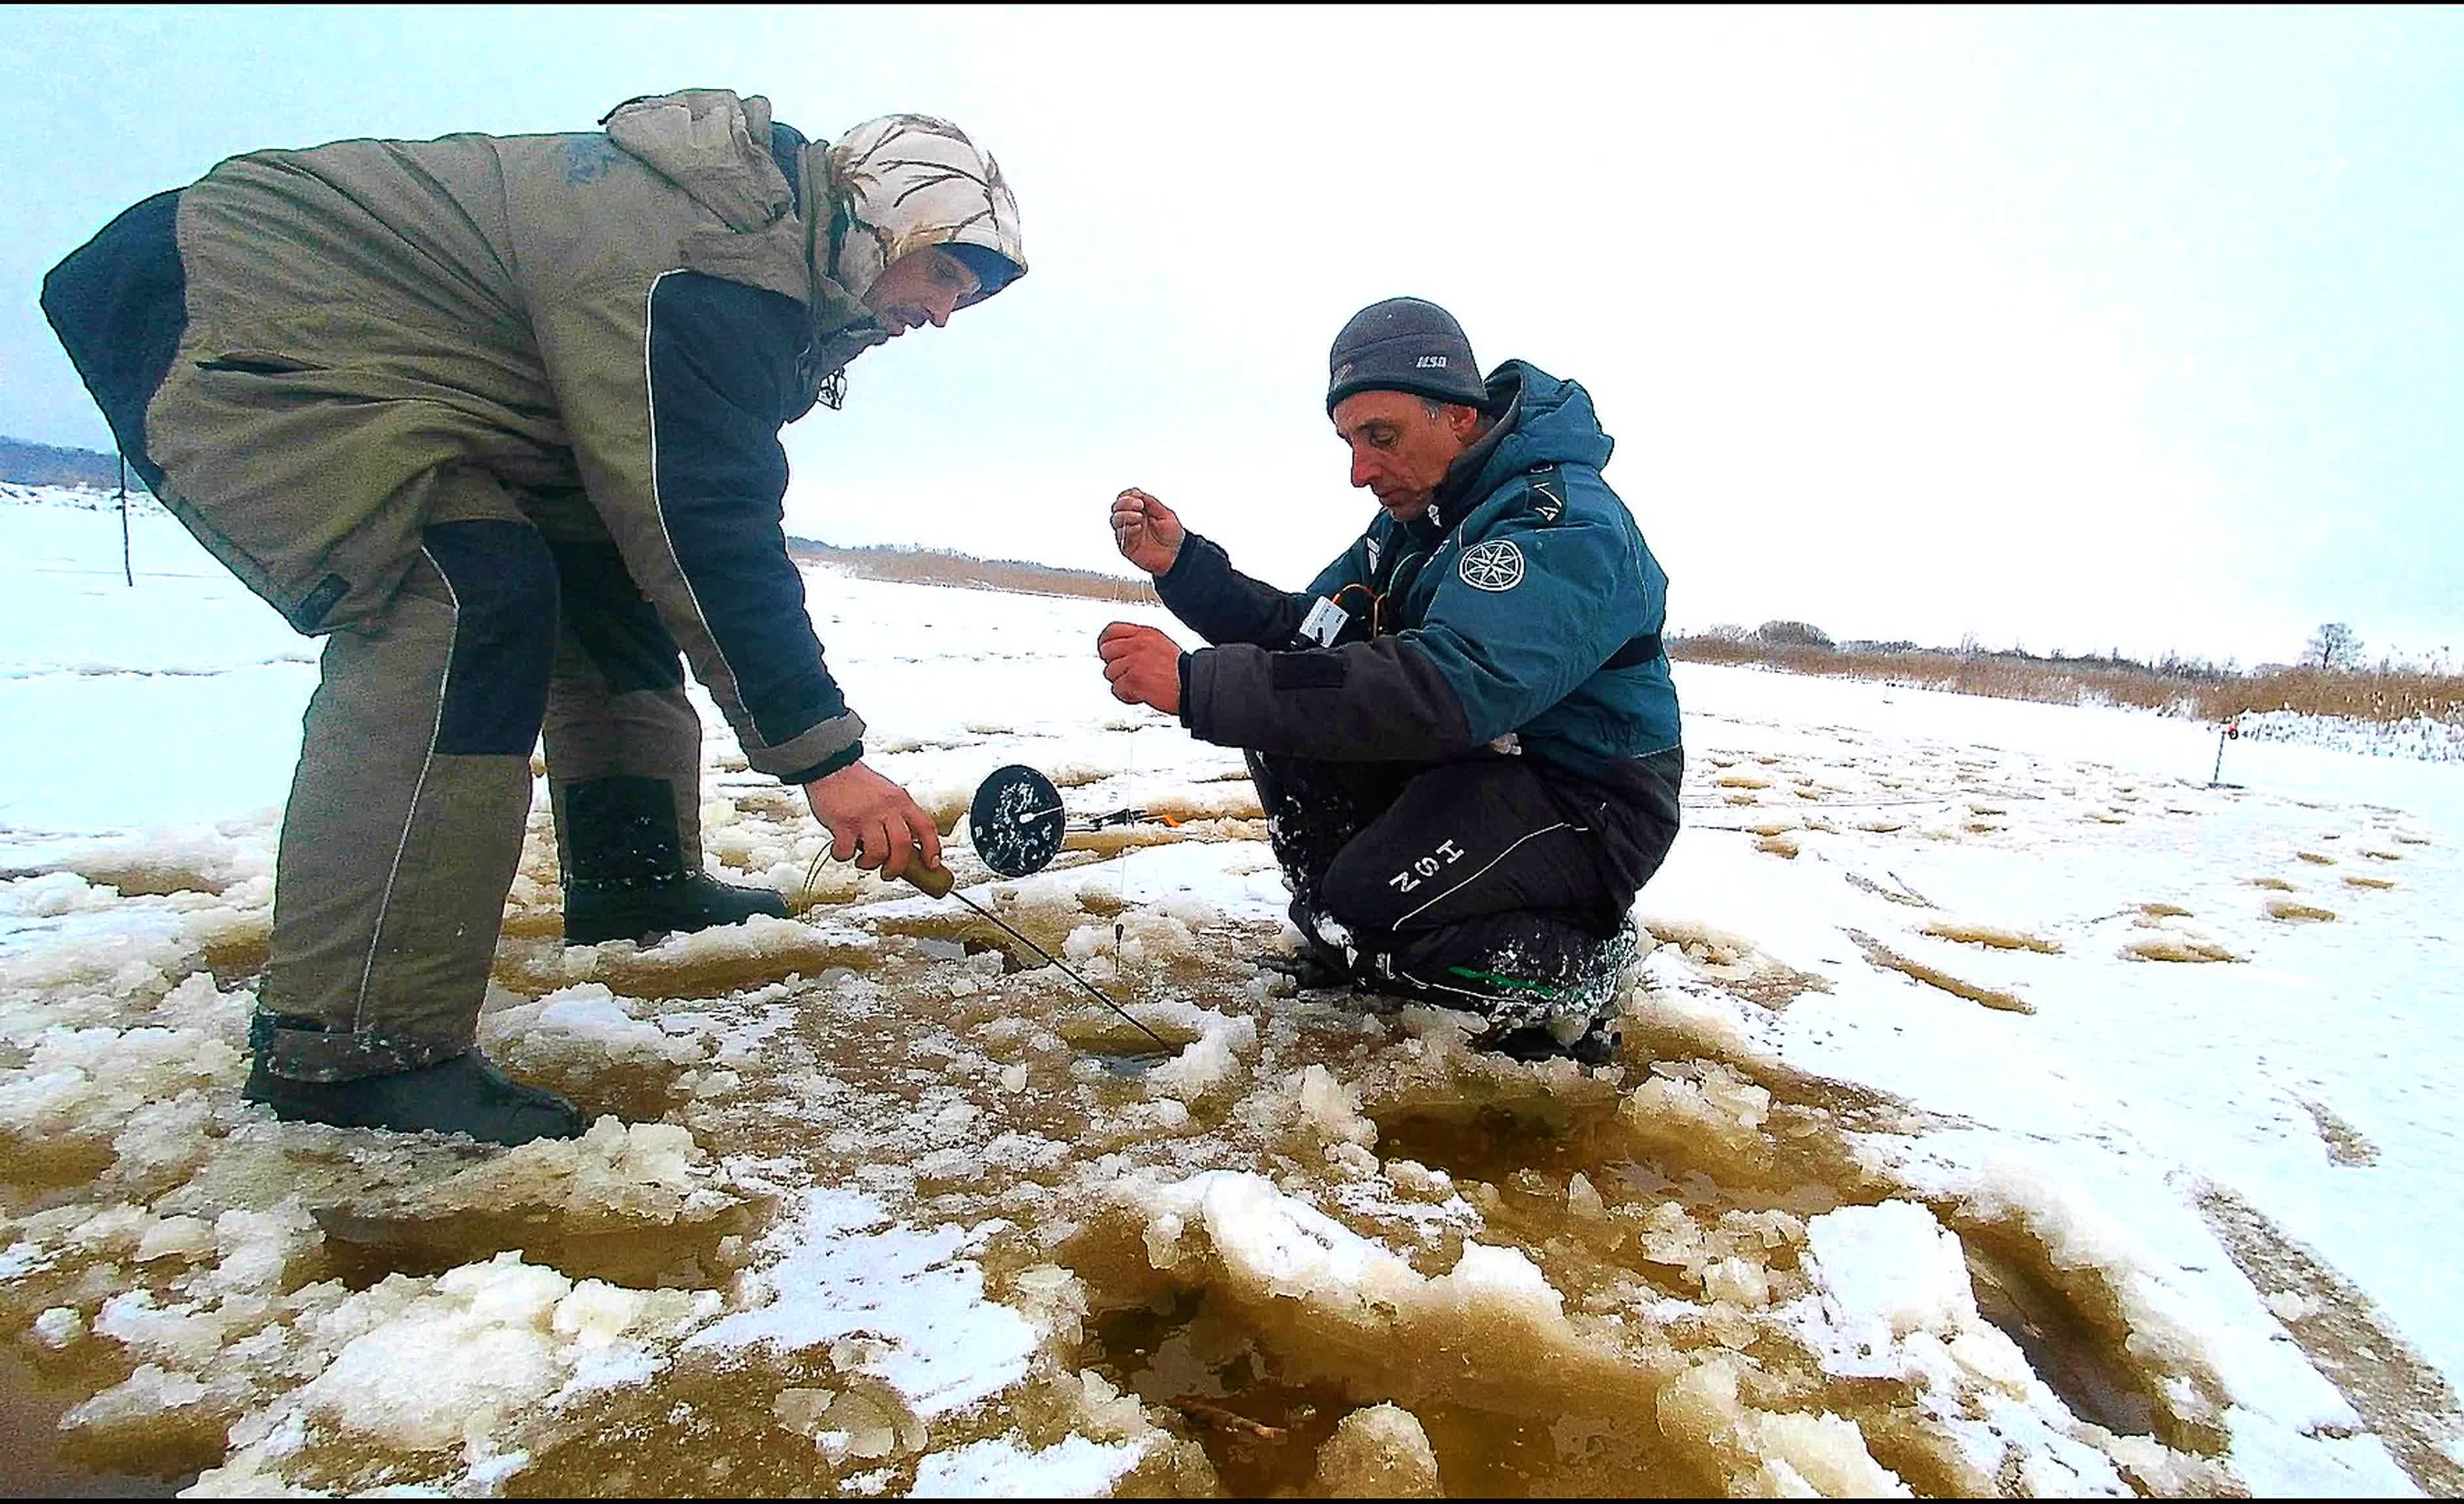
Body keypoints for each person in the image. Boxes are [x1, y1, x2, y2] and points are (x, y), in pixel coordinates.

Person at [40, 90, 1024, 1145]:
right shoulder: (710, 257)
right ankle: (349, 1051)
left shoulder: (758, 249)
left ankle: (636, 883)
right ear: (890, 218)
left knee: (602, 568)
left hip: (366, 349)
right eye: (944, 275)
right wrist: (827, 758)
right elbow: (700, 513)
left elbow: (646, 511)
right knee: (465, 599)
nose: (941, 316)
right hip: (234, 307)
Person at [1098, 298, 1682, 1065]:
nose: (1358, 471)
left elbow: (1447, 688)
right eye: (1348, 442)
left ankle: (1573, 973)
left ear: (1460, 417)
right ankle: (1348, 940)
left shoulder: (1564, 524)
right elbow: (1315, 633)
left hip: (1585, 796)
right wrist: (1189, 571)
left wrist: (1198, 685)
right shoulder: (1421, 516)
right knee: (1287, 724)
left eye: (1381, 437)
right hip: (1482, 762)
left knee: (1372, 907)